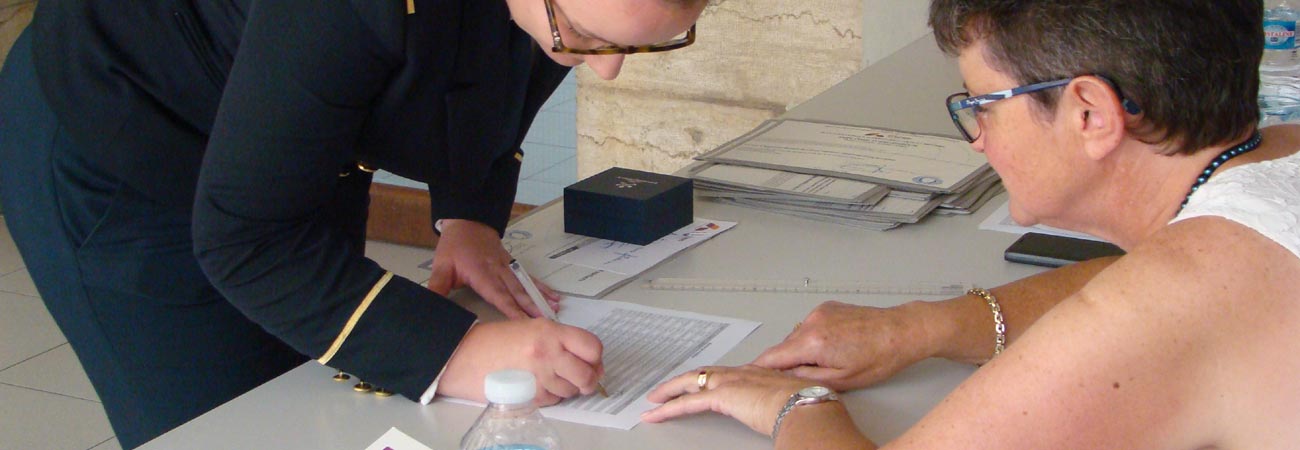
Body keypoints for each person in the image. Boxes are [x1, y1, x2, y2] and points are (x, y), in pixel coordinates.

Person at [0, 0, 703, 447]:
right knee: (228, 427)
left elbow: (513, 54)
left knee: (319, 404)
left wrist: (468, 212)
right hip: (123, 140)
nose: (604, 69)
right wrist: (455, 353)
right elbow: (246, 241)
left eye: (641, 45)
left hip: (287, 136)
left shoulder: (560, 13)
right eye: (584, 35)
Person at [641, 1, 1300, 448]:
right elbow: (1148, 281)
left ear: (1091, 114)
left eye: (981, 105)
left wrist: (796, 405)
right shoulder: (1277, 161)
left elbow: (1149, 301)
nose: (976, 139)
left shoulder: (1174, 304)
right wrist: (926, 326)